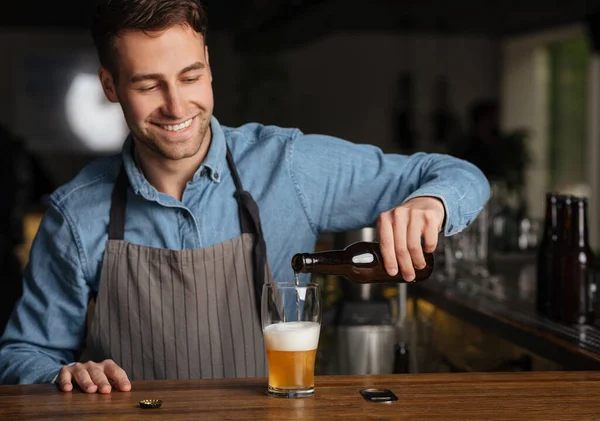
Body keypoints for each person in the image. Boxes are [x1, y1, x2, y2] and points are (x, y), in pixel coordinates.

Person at [0, 0, 490, 393]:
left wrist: (431, 203)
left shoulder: (288, 165)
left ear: (209, 64)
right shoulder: (75, 213)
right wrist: (60, 376)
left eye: (190, 77)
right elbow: (23, 355)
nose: (176, 106)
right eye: (149, 85)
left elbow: (454, 172)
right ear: (110, 85)